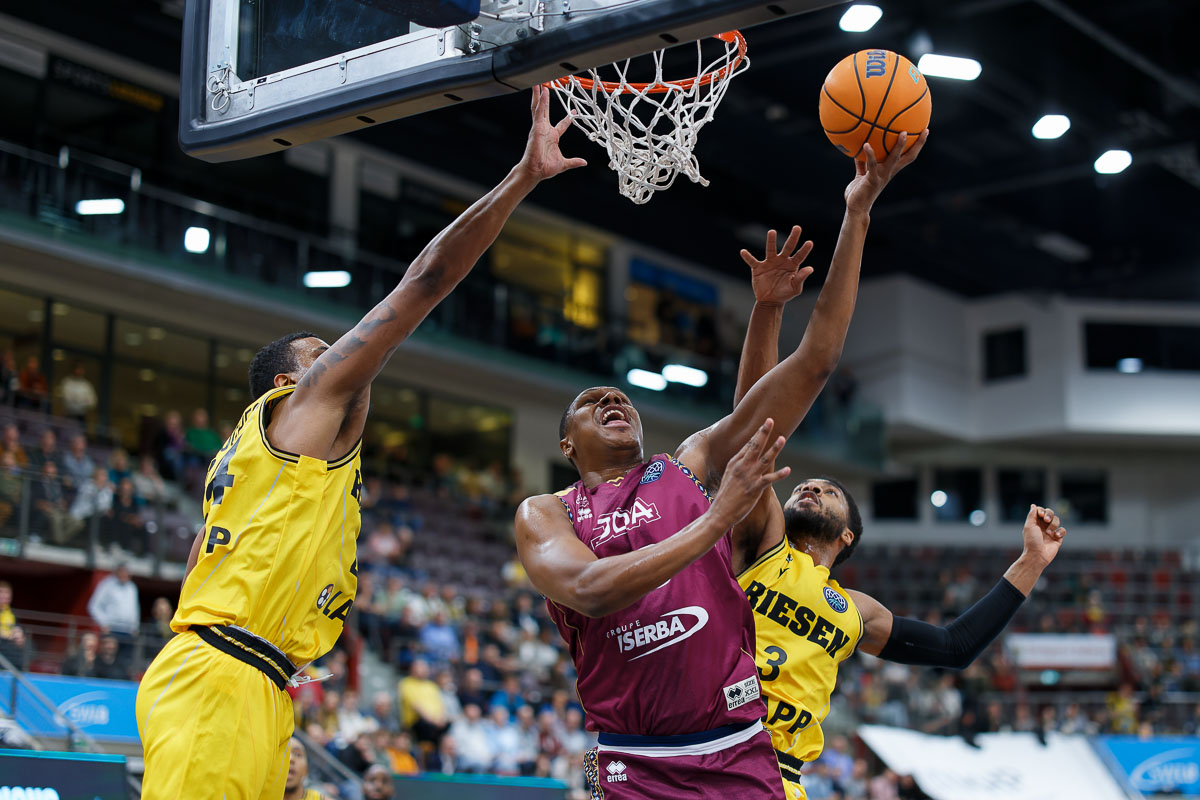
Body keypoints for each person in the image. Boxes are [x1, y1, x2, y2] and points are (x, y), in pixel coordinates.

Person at [134, 86, 584, 799]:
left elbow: (200, 560)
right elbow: (428, 279)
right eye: (321, 353)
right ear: (287, 382)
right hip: (221, 674)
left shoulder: (267, 467)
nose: (339, 357)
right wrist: (523, 176)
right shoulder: (300, 409)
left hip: (246, 677)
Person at [512, 136, 927, 800]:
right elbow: (589, 590)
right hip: (625, 756)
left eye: (618, 395)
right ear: (567, 446)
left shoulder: (688, 467)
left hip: (736, 751)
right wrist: (717, 520)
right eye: (591, 403)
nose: (610, 399)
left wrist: (857, 214)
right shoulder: (548, 512)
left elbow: (813, 364)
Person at [726, 172, 1070, 798]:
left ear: (848, 532)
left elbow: (955, 646)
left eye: (827, 491)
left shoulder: (856, 614)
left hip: (782, 782)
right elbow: (755, 422)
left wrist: (1030, 562)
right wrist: (769, 309)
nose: (810, 489)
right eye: (807, 486)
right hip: (710, 759)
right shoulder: (763, 543)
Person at [58, 361, 97, 426]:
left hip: (81, 417)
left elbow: (92, 402)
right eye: (78, 369)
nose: (79, 371)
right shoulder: (67, 382)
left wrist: (76, 399)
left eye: (81, 369)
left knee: (81, 434)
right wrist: (82, 400)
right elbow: (66, 399)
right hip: (68, 414)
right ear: (74, 369)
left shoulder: (87, 385)